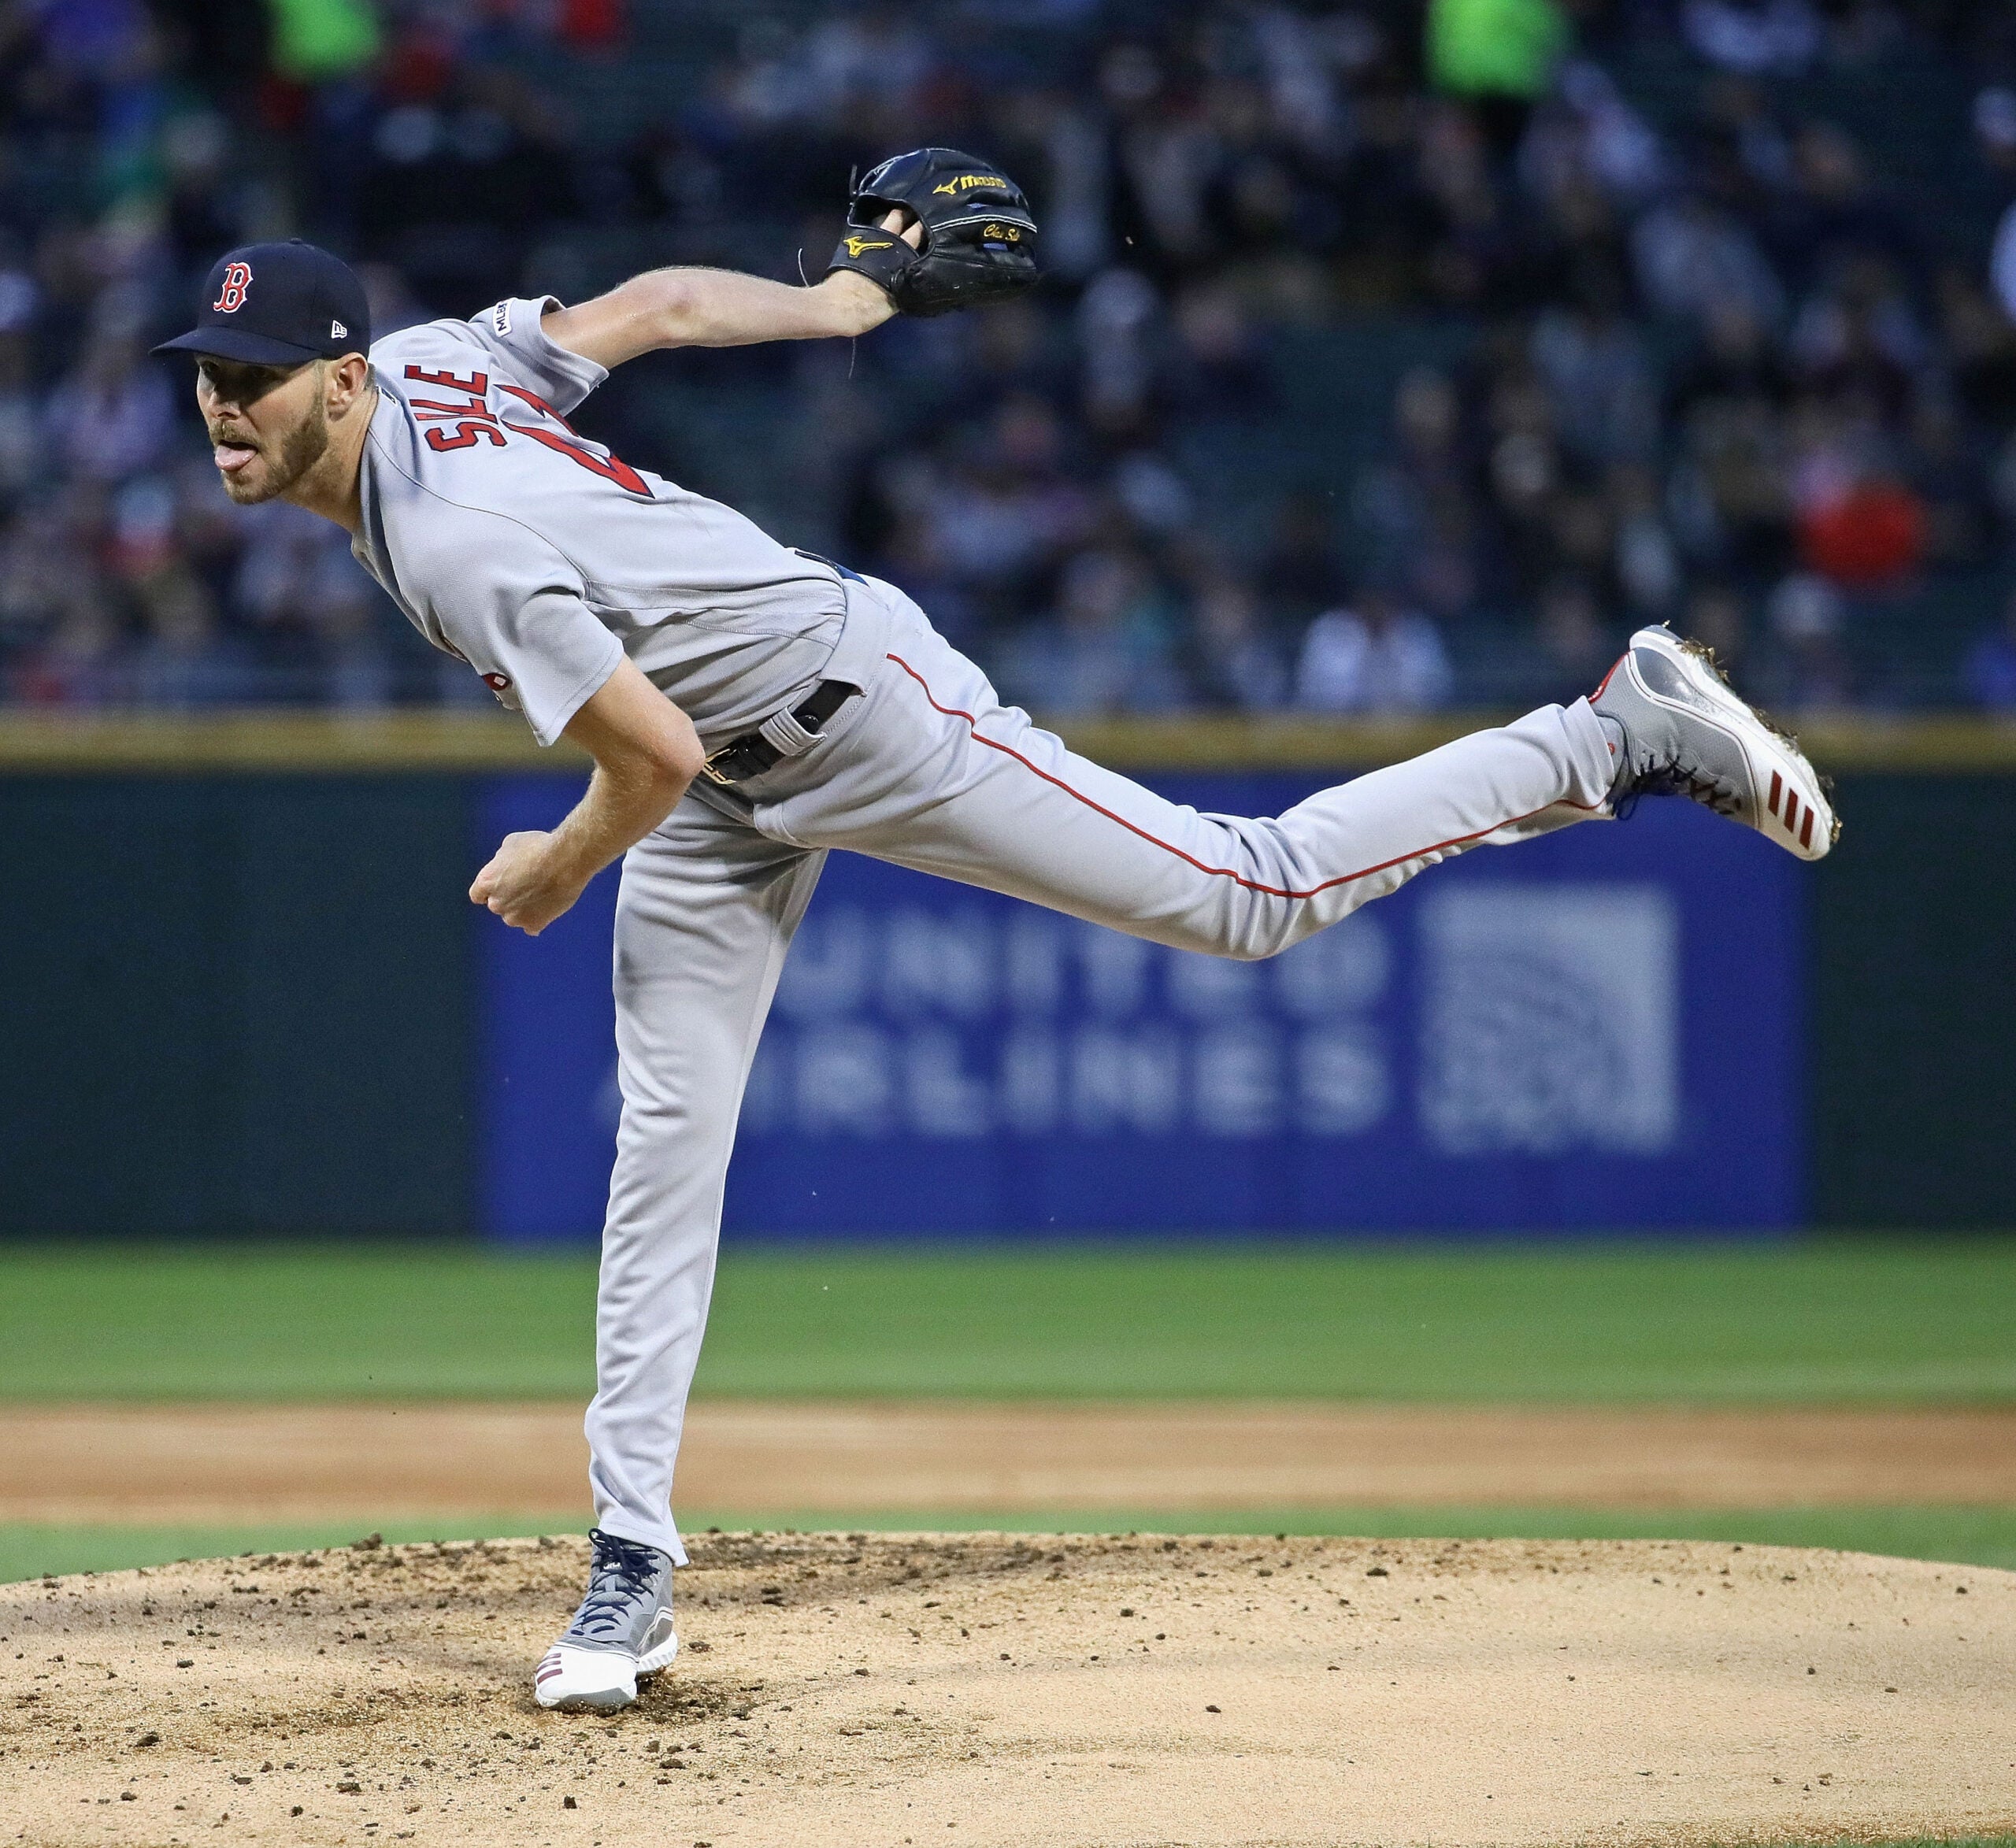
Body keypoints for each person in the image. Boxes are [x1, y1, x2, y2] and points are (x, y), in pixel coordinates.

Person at [154, 166, 1838, 1710]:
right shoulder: (441, 367)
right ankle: (631, 1563)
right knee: (664, 1143)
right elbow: (650, 311)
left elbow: (644, 757)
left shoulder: (448, 542)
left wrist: (560, 868)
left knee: (1240, 891)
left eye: (258, 374)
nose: (224, 403)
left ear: (347, 375)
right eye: (209, 374)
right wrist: (837, 305)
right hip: (731, 776)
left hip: (851, 712)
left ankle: (1608, 730)